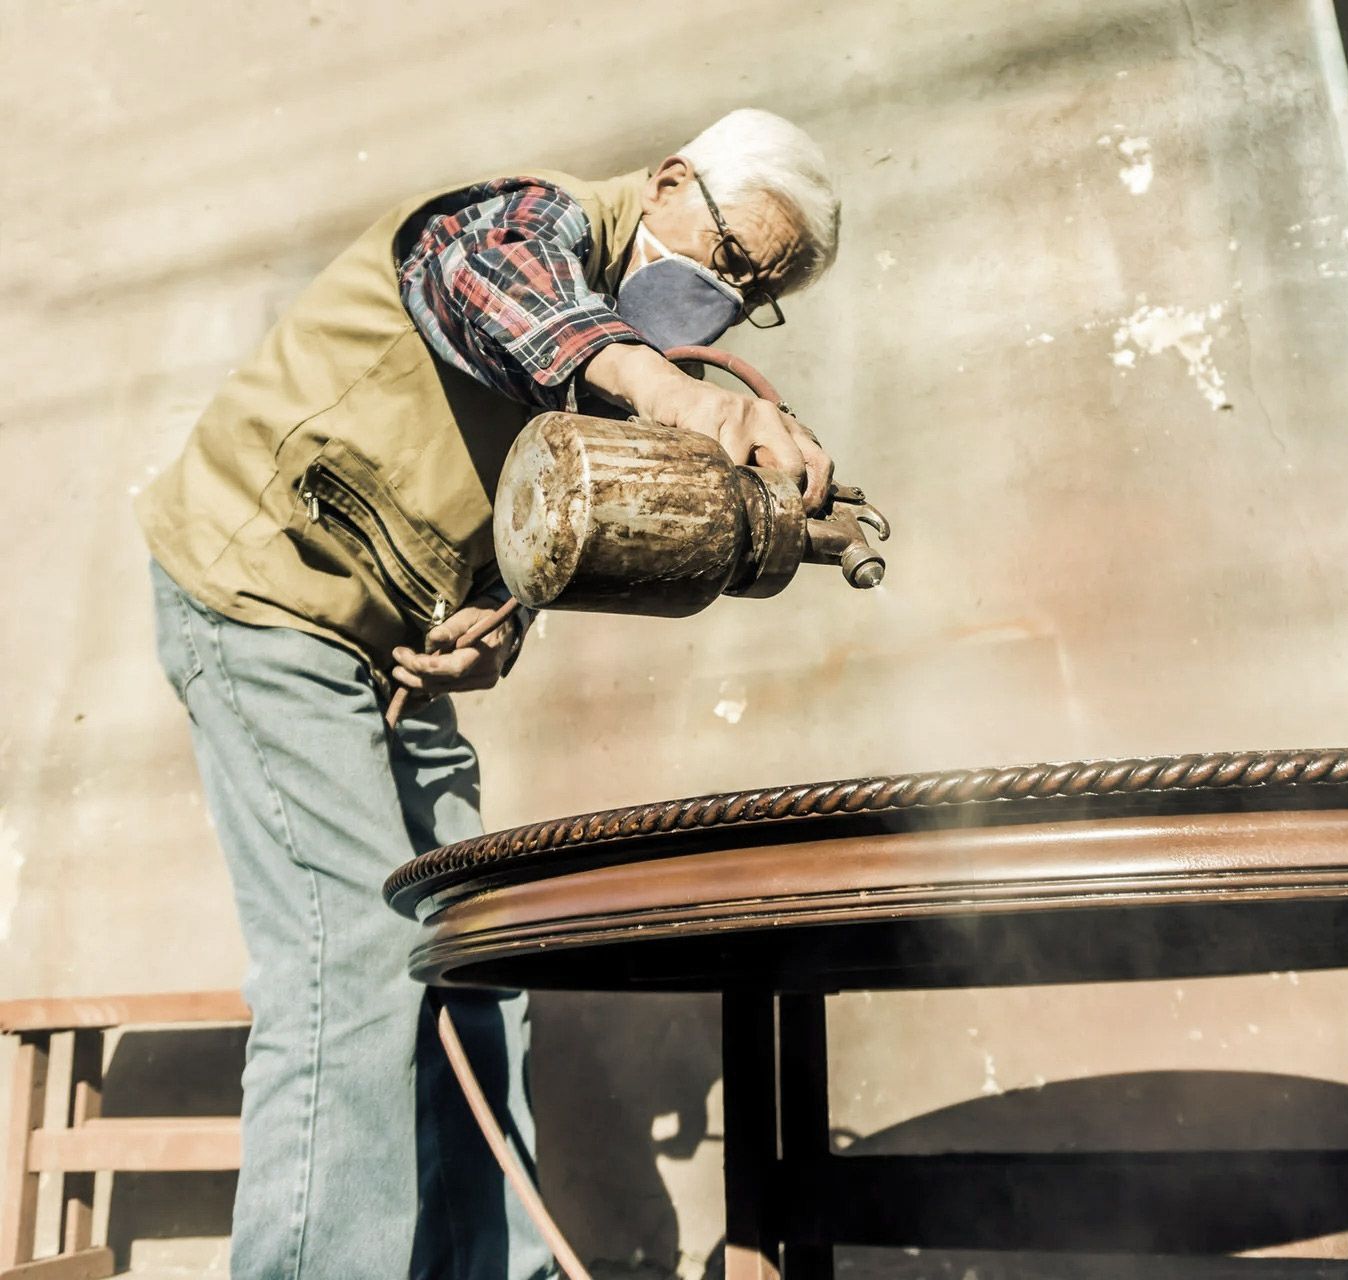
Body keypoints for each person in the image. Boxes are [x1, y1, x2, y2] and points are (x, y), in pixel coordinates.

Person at [137, 108, 841, 1279]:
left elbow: (528, 525)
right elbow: (499, 291)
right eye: (727, 255)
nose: (723, 296)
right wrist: (685, 398)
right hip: (259, 593)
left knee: (479, 954)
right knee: (352, 960)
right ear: (668, 184)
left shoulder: (611, 367)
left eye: (755, 291)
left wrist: (500, 624)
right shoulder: (525, 221)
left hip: (387, 654)